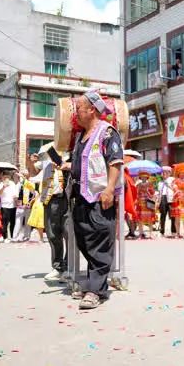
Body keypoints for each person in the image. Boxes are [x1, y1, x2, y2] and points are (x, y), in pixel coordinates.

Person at [66, 90, 124, 310]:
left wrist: (109, 189)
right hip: (81, 197)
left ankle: (95, 291)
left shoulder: (107, 132)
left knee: (100, 242)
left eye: (79, 108)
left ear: (91, 110)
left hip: (100, 197)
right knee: (85, 241)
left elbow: (115, 162)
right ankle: (94, 283)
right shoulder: (81, 136)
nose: (76, 112)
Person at [36, 151, 68, 280]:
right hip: (51, 199)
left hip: (68, 199)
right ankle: (58, 267)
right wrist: (30, 160)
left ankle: (69, 267)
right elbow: (33, 172)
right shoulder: (45, 160)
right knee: (53, 234)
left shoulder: (70, 155)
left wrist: (64, 164)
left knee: (69, 233)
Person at [13, 169, 35, 242]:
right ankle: (15, 237)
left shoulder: (30, 183)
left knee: (28, 222)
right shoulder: (19, 184)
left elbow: (33, 193)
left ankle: (27, 236)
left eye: (25, 175)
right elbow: (15, 195)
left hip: (28, 205)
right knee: (18, 222)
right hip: (20, 205)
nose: (24, 176)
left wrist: (30, 202)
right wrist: (17, 203)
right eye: (23, 175)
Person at [0, 171, 18, 243]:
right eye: (5, 177)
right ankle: (5, 237)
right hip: (4, 206)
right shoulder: (0, 185)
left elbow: (15, 194)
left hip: (13, 205)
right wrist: (4, 187)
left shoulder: (12, 184)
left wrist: (16, 200)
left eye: (8, 177)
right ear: (2, 177)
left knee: (13, 222)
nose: (6, 178)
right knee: (5, 222)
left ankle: (12, 236)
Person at [134, 171, 157, 239]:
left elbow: (153, 193)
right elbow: (136, 194)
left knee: (150, 219)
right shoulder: (138, 185)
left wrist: (148, 191)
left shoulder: (150, 184)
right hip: (140, 203)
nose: (143, 178)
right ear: (140, 177)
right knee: (140, 219)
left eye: (145, 177)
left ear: (147, 177)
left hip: (148, 202)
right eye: (142, 177)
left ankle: (151, 233)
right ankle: (141, 233)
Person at [158, 166, 176, 237]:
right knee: (162, 215)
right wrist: (158, 201)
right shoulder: (160, 182)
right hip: (163, 198)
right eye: (163, 172)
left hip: (171, 198)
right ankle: (162, 231)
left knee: (172, 215)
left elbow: (174, 189)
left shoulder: (172, 180)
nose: (164, 173)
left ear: (169, 173)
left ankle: (173, 231)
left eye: (166, 172)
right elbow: (159, 193)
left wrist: (168, 184)